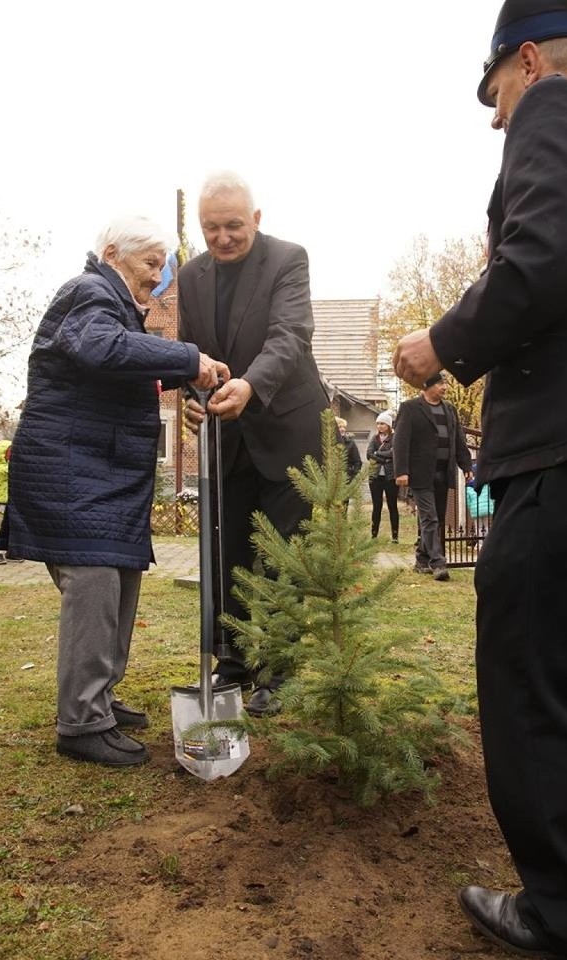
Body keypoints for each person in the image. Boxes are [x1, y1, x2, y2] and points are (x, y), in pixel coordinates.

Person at [393, 1, 567, 957]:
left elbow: (540, 265)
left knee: (533, 684)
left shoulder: (560, 112)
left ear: (528, 61)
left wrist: (442, 342)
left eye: (495, 94)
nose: (497, 118)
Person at [0, 217, 224, 767]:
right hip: (73, 476)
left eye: (163, 266)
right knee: (95, 583)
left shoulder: (116, 306)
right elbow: (102, 350)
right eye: (150, 264)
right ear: (113, 253)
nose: (159, 276)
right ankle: (80, 721)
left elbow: (123, 360)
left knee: (119, 578)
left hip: (103, 477)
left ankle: (97, 696)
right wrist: (189, 357)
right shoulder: (89, 292)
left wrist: (187, 378)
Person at [179, 171, 330, 717]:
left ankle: (281, 668)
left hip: (285, 425)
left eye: (234, 226)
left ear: (257, 219)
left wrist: (251, 385)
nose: (223, 238)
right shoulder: (192, 277)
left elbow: (290, 336)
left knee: (284, 553)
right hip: (225, 431)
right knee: (230, 550)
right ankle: (235, 660)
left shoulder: (289, 260)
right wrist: (192, 394)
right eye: (212, 228)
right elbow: (189, 350)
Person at [393, 373, 472, 581]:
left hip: (443, 472)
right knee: (430, 517)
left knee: (434, 518)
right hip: (420, 474)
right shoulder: (410, 408)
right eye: (440, 383)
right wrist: (401, 471)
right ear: (427, 385)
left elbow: (458, 439)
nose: (444, 387)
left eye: (445, 383)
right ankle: (438, 563)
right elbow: (400, 441)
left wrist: (465, 465)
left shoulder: (449, 409)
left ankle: (421, 560)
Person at [366, 411, 399, 543]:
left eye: (382, 423)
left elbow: (394, 453)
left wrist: (378, 453)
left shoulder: (394, 438)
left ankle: (395, 536)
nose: (379, 426)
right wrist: (384, 459)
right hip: (375, 477)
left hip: (390, 477)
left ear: (388, 425)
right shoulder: (374, 439)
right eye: (378, 423)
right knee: (376, 506)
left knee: (392, 506)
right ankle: (374, 535)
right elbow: (368, 454)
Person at [335, 416, 362, 481]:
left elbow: (357, 462)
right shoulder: (328, 442)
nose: (342, 429)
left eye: (344, 427)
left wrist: (352, 476)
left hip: (346, 478)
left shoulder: (350, 443)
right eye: (339, 427)